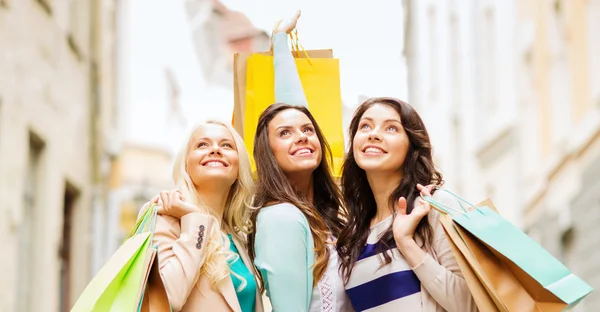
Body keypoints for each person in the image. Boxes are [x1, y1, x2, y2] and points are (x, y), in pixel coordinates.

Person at [246, 11, 353, 312]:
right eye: (285, 133)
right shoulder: (281, 218)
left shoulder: (323, 215)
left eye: (308, 130)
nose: (302, 137)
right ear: (269, 153)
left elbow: (295, 107)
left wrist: (281, 44)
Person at [335, 98, 478, 312]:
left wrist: (406, 242)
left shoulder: (433, 208)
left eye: (391, 128)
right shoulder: (353, 235)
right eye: (365, 126)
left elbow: (469, 305)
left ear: (411, 147)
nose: (373, 134)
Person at [138, 120, 263, 312]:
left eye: (226, 145)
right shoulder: (163, 216)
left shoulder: (238, 237)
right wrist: (193, 219)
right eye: (202, 144)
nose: (215, 150)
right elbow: (168, 299)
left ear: (239, 167)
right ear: (186, 165)